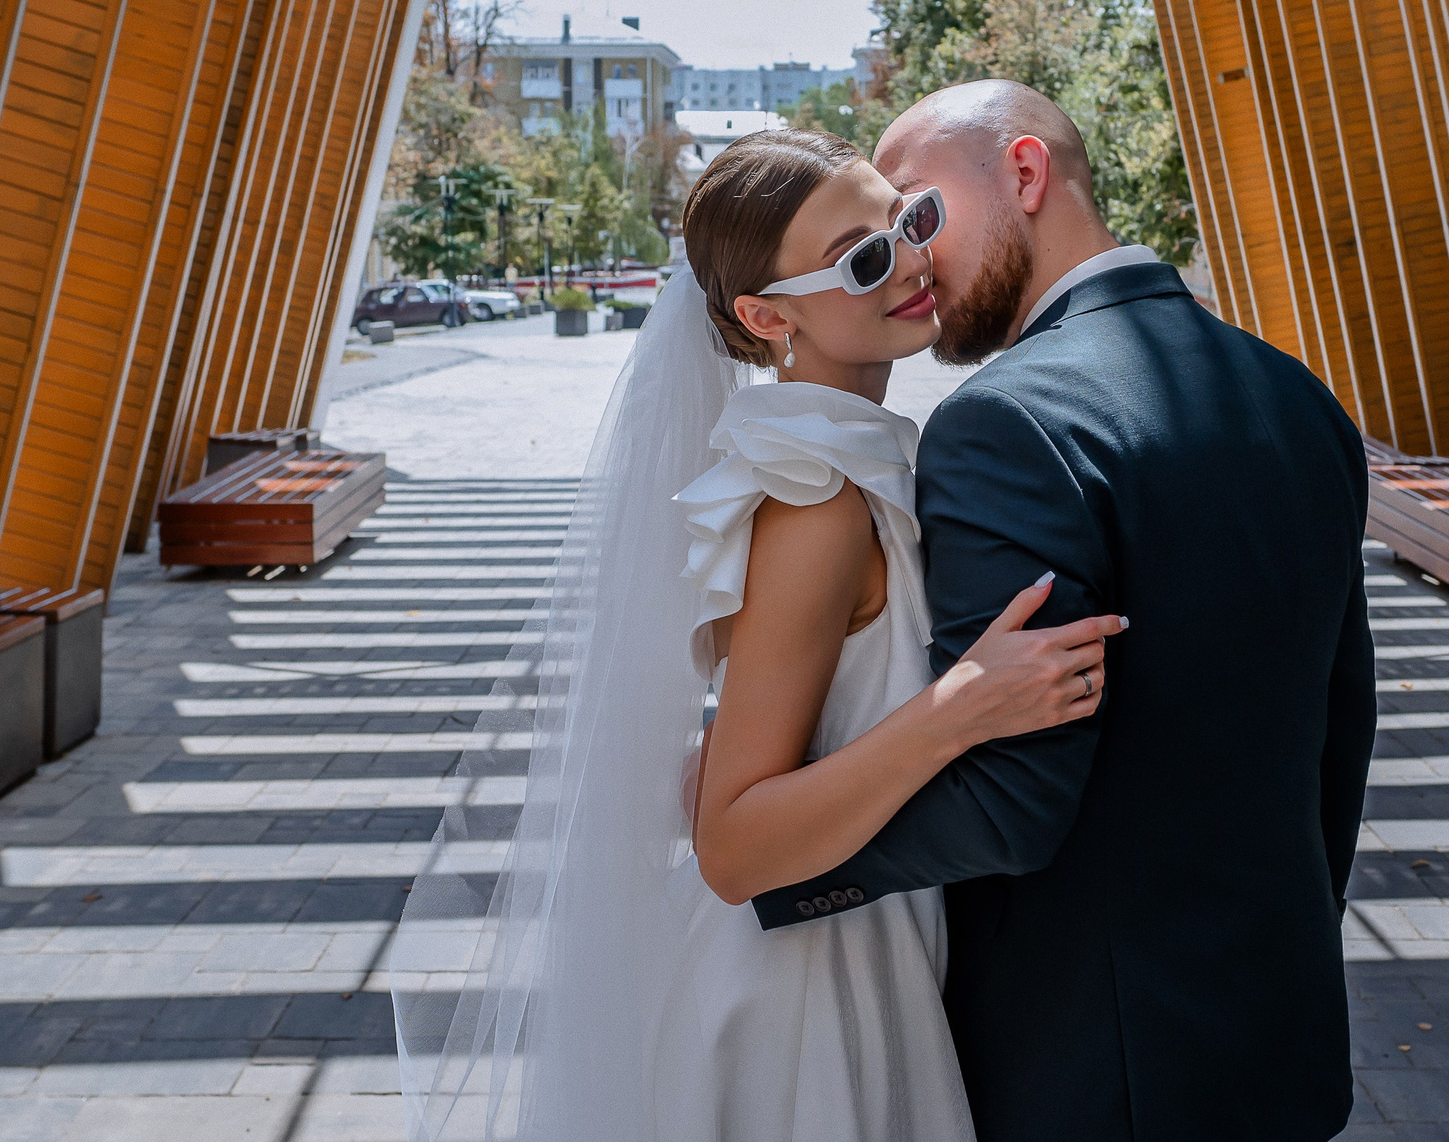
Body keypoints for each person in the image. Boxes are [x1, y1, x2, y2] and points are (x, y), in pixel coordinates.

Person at [395, 126, 1124, 1142]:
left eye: (910, 223)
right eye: (863, 259)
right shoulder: (815, 498)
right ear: (766, 315)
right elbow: (732, 847)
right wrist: (959, 707)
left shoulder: (830, 463)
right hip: (805, 994)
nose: (911, 262)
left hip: (851, 933)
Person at [749, 80, 1376, 1142]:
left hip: (1090, 1069)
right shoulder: (1300, 397)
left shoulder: (1004, 422)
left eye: (918, 211)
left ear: (1026, 172)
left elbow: (1009, 804)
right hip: (1277, 1038)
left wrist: (769, 858)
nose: (909, 259)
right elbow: (1340, 729)